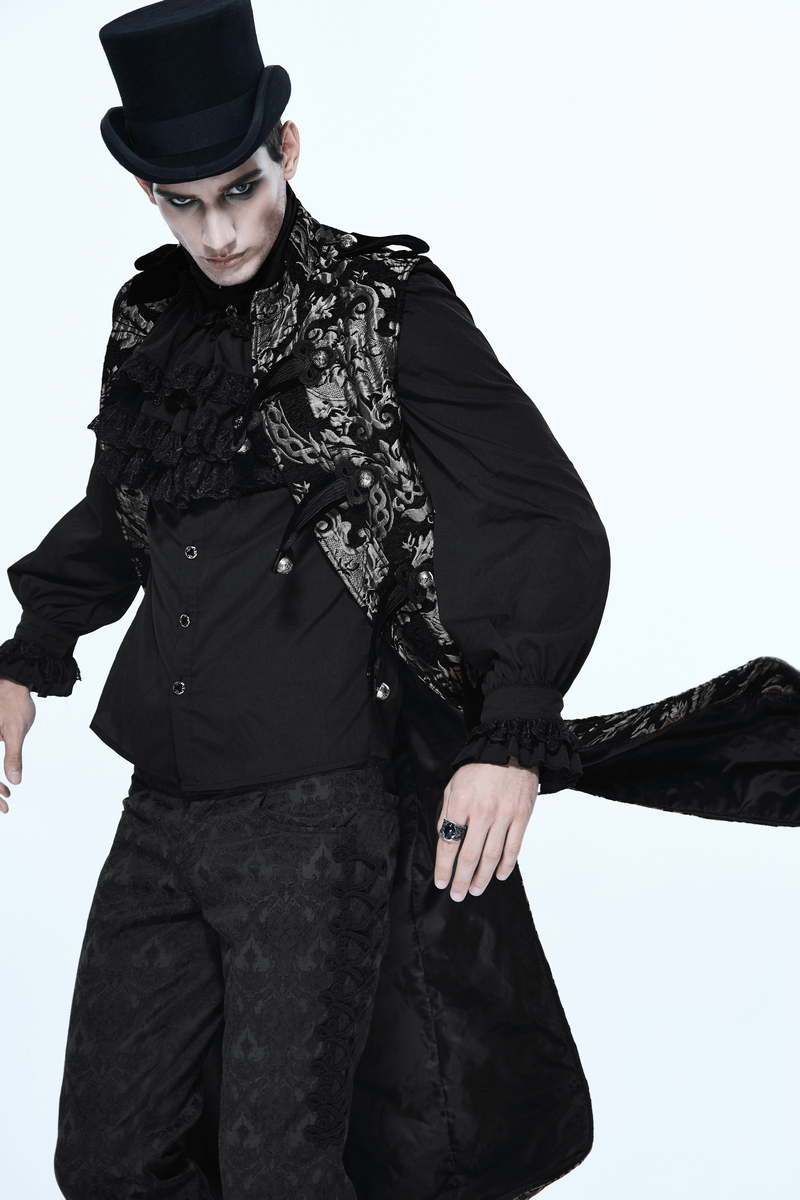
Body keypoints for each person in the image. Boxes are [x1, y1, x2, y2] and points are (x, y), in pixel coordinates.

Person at [1, 3, 797, 1199]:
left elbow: (544, 518)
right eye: (183, 203)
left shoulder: (382, 304)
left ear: (287, 150)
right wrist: (29, 653)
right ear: (149, 194)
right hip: (159, 806)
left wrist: (510, 733)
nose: (220, 231)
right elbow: (120, 513)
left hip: (317, 810)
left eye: (241, 189)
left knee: (280, 1170)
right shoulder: (149, 319)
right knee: (109, 1162)